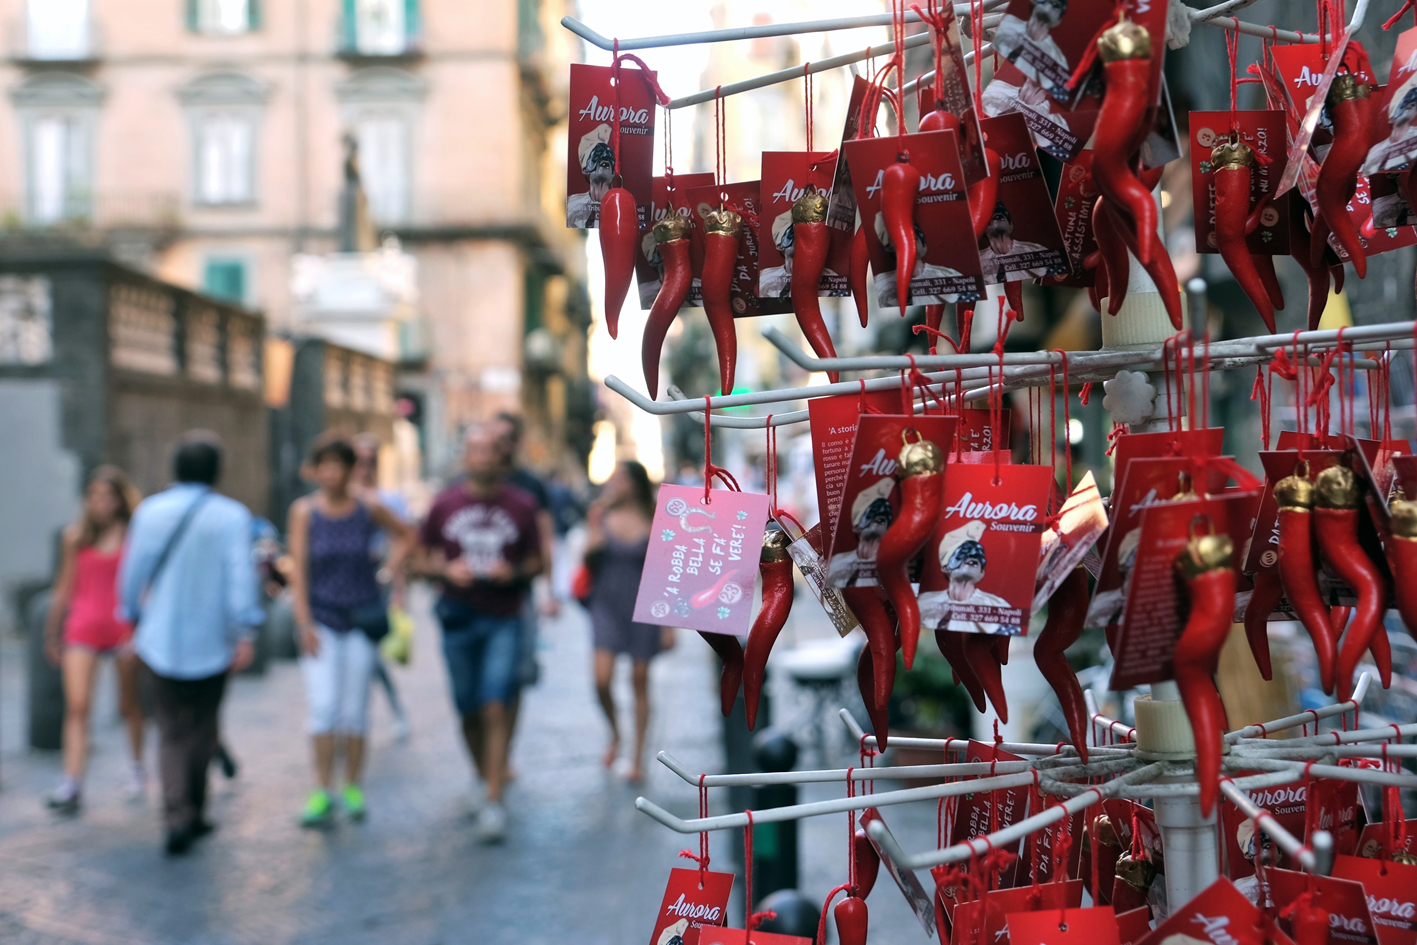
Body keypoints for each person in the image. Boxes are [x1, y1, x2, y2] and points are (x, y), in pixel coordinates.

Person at [117, 432, 264, 855]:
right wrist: (245, 631)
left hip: (159, 637)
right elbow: (241, 579)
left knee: (169, 729)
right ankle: (194, 810)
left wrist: (131, 614)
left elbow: (132, 572)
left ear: (175, 468)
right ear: (217, 471)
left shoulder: (150, 511)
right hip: (213, 639)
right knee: (202, 724)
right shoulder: (232, 516)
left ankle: (174, 811)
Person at [417, 425, 543, 843]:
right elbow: (419, 559)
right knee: (467, 709)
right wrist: (445, 570)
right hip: (457, 616)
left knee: (494, 703)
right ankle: (482, 776)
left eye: (489, 451)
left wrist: (515, 572)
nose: (482, 458)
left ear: (499, 458)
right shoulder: (444, 504)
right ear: (465, 457)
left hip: (504, 617)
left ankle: (493, 799)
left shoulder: (522, 505)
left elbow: (538, 562)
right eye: (475, 451)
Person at [287, 433, 413, 827]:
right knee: (323, 708)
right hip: (322, 619)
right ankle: (322, 788)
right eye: (322, 465)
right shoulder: (305, 512)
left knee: (355, 710)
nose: (329, 474)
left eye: (336, 465)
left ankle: (353, 786)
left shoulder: (367, 507)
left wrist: (388, 571)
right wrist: (303, 622)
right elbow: (298, 570)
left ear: (349, 469)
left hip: (360, 618)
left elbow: (407, 534)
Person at [42, 466, 146, 814]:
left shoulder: (133, 535)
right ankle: (72, 784)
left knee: (128, 704)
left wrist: (139, 629)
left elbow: (142, 586)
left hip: (121, 627)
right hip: (82, 626)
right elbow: (64, 586)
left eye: (108, 496)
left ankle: (137, 766)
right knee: (77, 706)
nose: (101, 503)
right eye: (95, 496)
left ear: (120, 500)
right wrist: (52, 631)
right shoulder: (75, 537)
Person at [584, 461, 671, 781]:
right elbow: (587, 557)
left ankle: (637, 758)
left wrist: (669, 623)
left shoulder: (656, 516)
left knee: (639, 679)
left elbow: (665, 569)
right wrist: (593, 538)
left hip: (645, 605)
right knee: (601, 679)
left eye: (620, 478)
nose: (613, 483)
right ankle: (615, 732)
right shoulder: (600, 513)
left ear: (635, 483)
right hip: (606, 604)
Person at [351, 433, 412, 742]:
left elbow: (400, 543)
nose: (365, 467)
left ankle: (389, 711)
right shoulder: (340, 499)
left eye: (370, 461)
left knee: (371, 655)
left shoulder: (388, 500)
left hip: (376, 587)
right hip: (343, 589)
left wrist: (397, 587)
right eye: (359, 461)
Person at [826, 478, 895, 588]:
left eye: (885, 513)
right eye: (872, 512)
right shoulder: (837, 563)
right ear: (856, 527)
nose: (880, 515)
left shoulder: (894, 563)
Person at [977, 201, 1059, 284]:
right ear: (984, 229)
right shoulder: (977, 262)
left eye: (1002, 214)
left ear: (1011, 226)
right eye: (992, 216)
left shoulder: (1036, 251)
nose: (998, 215)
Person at [566, 124, 615, 227]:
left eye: (609, 156)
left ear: (613, 173)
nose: (605, 158)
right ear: (585, 170)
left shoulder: (619, 203)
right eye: (597, 155)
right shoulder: (573, 205)